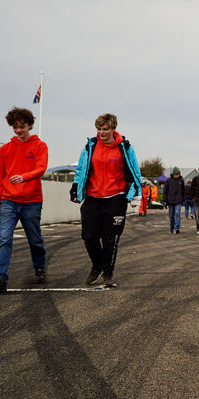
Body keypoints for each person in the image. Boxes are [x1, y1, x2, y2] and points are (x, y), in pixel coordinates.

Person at [70, 113, 142, 287]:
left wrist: (136, 195)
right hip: (93, 199)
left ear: (113, 129)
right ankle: (97, 266)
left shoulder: (125, 148)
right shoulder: (90, 146)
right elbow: (80, 170)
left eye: (105, 129)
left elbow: (134, 172)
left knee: (111, 239)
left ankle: (108, 273)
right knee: (89, 237)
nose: (101, 132)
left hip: (115, 200)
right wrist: (75, 187)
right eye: (99, 129)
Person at [0, 107, 48, 293]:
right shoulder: (5, 149)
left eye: (22, 126)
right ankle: (0, 278)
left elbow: (42, 168)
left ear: (30, 125)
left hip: (32, 201)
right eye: (15, 127)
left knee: (34, 239)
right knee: (4, 238)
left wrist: (24, 177)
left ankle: (40, 268)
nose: (19, 130)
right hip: (8, 201)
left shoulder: (39, 146)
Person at [163, 167, 185, 234]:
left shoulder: (181, 180)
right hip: (170, 201)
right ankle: (171, 228)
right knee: (171, 215)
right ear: (173, 174)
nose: (177, 175)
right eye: (176, 174)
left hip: (178, 200)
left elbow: (183, 191)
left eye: (178, 174)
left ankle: (177, 228)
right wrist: (165, 200)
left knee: (177, 213)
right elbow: (165, 191)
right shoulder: (168, 180)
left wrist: (183, 200)